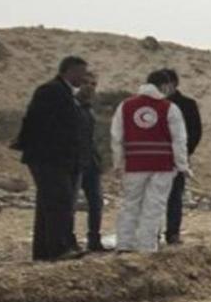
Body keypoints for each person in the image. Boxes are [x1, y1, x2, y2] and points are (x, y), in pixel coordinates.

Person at [13, 55, 90, 261]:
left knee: (50, 204)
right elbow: (40, 124)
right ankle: (59, 249)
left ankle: (45, 251)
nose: (84, 78)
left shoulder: (67, 94)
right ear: (69, 71)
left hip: (58, 158)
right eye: (81, 73)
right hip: (50, 158)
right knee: (59, 202)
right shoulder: (51, 91)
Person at [110, 70, 190, 252]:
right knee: (154, 206)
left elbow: (117, 137)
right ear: (164, 86)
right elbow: (179, 140)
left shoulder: (125, 106)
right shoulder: (170, 108)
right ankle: (147, 246)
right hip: (162, 165)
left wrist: (118, 162)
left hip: (134, 164)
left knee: (130, 204)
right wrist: (183, 165)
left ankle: (124, 244)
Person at [162, 68, 202, 246]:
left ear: (174, 84)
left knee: (174, 196)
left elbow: (196, 131)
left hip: (178, 157)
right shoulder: (154, 104)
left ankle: (173, 233)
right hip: (156, 156)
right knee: (154, 197)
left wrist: (184, 152)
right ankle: (151, 234)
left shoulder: (187, 104)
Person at [74, 73, 106, 252]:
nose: (90, 87)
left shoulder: (88, 108)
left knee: (96, 201)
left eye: (93, 84)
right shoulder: (71, 106)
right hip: (75, 160)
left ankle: (94, 239)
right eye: (86, 83)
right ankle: (68, 239)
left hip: (90, 161)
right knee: (70, 202)